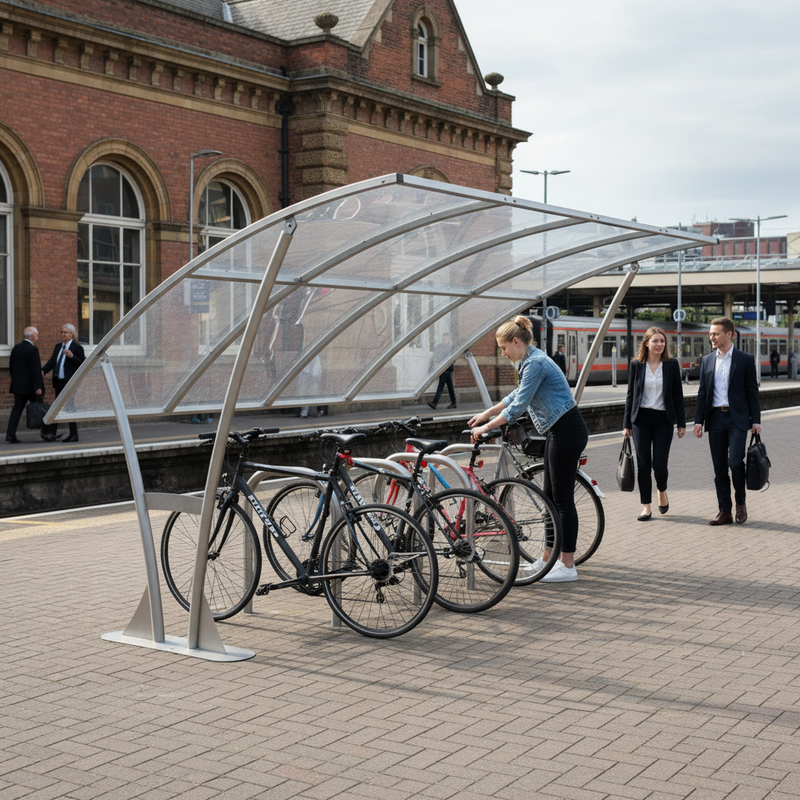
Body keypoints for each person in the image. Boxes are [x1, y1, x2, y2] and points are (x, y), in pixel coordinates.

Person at [468, 316, 588, 582]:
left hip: (566, 432)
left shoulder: (535, 363)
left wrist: (485, 428)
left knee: (563, 500)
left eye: (503, 348)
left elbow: (518, 406)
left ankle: (567, 566)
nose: (503, 354)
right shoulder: (531, 360)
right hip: (558, 432)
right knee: (549, 497)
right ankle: (547, 559)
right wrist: (486, 414)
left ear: (516, 341)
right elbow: (515, 396)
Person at [693, 317, 761, 525]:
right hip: (715, 419)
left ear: (729, 334)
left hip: (737, 419)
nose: (711, 337)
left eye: (715, 333)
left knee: (735, 462)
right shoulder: (707, 360)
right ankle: (725, 511)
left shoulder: (745, 359)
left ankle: (740, 503)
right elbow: (702, 393)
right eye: (711, 333)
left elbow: (752, 393)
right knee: (720, 468)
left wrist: (756, 421)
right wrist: (698, 421)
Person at [622, 327, 686, 521]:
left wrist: (682, 423)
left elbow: (677, 395)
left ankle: (662, 491)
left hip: (663, 420)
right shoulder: (636, 365)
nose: (660, 345)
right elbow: (630, 395)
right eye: (656, 341)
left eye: (662, 341)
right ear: (647, 343)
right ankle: (646, 507)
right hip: (641, 420)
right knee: (643, 464)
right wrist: (626, 424)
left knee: (659, 464)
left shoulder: (671, 365)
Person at [41, 323, 85, 443]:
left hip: (69, 382)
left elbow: (83, 364)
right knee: (57, 407)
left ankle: (74, 434)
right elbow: (52, 362)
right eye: (61, 332)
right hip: (59, 382)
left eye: (65, 332)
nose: (63, 334)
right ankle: (52, 433)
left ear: (71, 334)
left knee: (70, 407)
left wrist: (72, 356)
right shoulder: (58, 347)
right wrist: (43, 371)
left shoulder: (77, 348)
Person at [5, 326, 45, 443]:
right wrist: (38, 387)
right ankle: (47, 432)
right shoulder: (33, 350)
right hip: (31, 387)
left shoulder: (16, 348)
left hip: (18, 386)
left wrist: (16, 380)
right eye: (37, 335)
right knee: (40, 408)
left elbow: (11, 367)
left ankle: (10, 434)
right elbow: (35, 370)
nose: (37, 337)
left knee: (17, 410)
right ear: (33, 336)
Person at [427, 332, 457, 410]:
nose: (444, 339)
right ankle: (454, 403)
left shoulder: (450, 347)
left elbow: (452, 357)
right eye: (443, 338)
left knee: (441, 386)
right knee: (450, 387)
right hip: (444, 368)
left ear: (449, 338)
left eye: (445, 338)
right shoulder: (441, 346)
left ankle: (435, 403)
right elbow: (438, 356)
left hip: (446, 368)